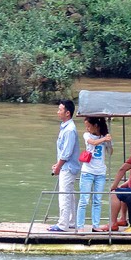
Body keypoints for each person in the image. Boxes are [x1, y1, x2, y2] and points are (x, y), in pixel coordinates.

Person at [74, 117, 112, 233]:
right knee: (84, 200)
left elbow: (110, 152)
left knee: (97, 200)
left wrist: (109, 142)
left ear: (96, 125)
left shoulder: (104, 137)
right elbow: (93, 142)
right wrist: (105, 138)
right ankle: (80, 226)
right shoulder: (87, 135)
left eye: (89, 126)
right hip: (88, 172)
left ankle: (96, 225)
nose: (87, 128)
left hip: (100, 173)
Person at [49, 99, 80, 232]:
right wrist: (57, 164)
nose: (58, 112)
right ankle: (72, 221)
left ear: (67, 113)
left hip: (67, 168)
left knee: (64, 195)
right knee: (70, 195)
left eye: (60, 110)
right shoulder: (66, 127)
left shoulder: (69, 130)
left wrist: (58, 166)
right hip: (66, 166)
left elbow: (66, 153)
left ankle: (63, 224)